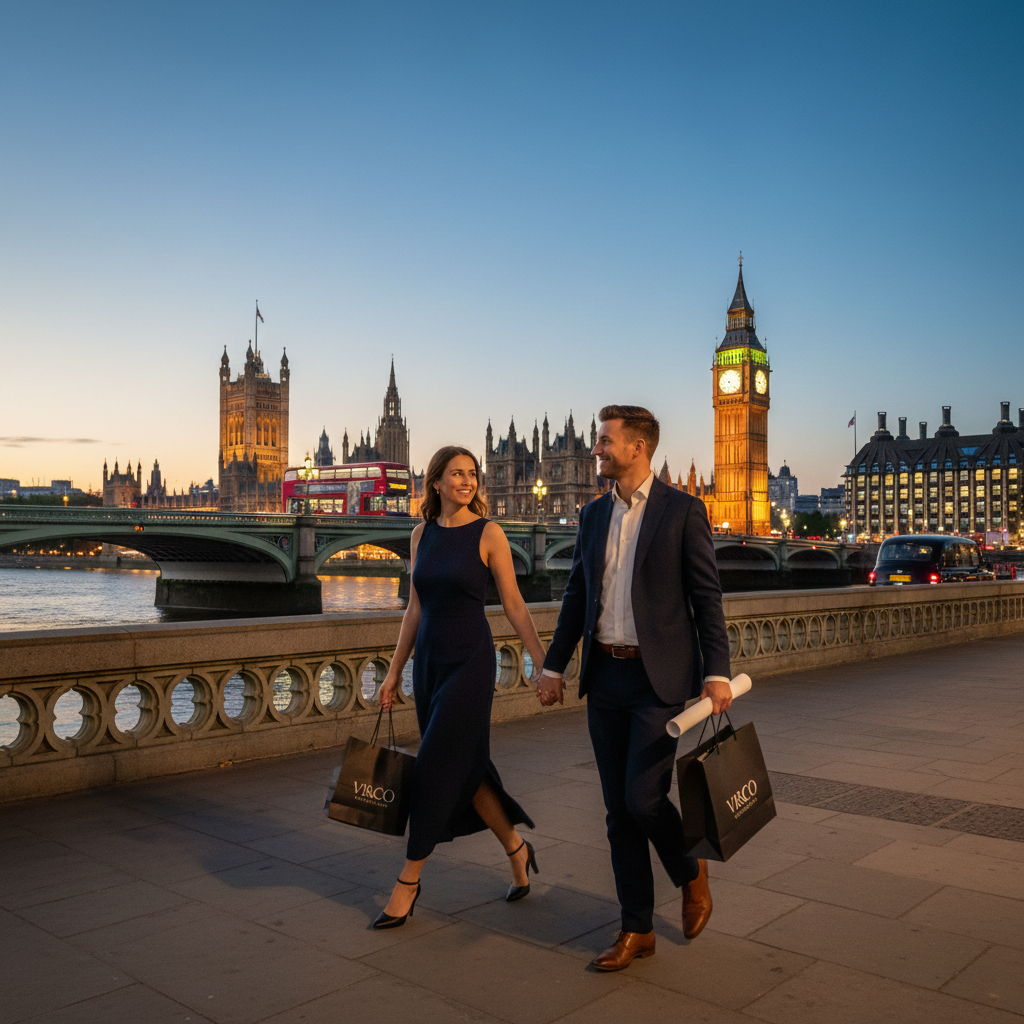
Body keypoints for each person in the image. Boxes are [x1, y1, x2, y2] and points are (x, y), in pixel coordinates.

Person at [537, 405, 733, 971]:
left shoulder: (683, 511)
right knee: (616, 813)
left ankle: (690, 869)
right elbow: (577, 595)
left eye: (605, 441)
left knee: (641, 798)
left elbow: (707, 600)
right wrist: (554, 666)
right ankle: (636, 928)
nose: (596, 449)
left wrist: (716, 672)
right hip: (606, 675)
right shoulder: (593, 515)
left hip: (660, 679)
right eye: (597, 441)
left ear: (637, 448)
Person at [374, 445, 548, 928]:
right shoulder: (420, 535)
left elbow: (513, 604)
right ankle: (517, 849)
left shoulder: (489, 533)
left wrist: (542, 664)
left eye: (473, 474)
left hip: (471, 661)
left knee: (434, 764)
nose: (467, 481)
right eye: (457, 474)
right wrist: (393, 672)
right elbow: (414, 608)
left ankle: (408, 881)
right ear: (435, 482)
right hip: (430, 663)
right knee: (467, 769)